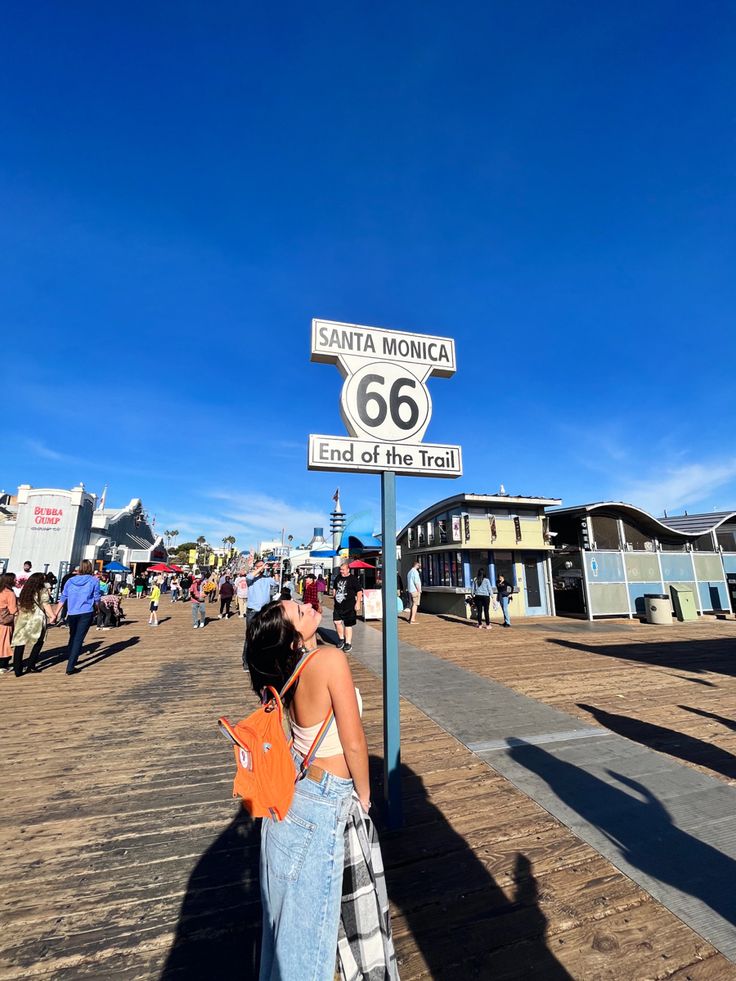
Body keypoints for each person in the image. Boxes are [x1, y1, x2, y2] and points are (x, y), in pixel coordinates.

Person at [247, 598, 371, 981]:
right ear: (293, 641)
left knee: (287, 936)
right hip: (328, 798)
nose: (307, 605)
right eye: (299, 612)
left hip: (296, 797)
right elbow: (353, 742)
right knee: (310, 948)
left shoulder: (287, 673)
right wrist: (364, 798)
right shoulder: (330, 660)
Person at [12, 573, 58, 675]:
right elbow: (45, 603)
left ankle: (17, 669)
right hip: (37, 618)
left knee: (20, 643)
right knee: (39, 641)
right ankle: (31, 665)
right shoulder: (42, 590)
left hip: (23, 618)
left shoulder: (26, 590)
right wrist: (52, 616)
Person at [60, 560, 101, 675]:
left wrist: (56, 613)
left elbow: (63, 597)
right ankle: (71, 666)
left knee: (73, 636)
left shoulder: (70, 580)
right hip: (86, 611)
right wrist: (97, 608)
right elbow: (96, 597)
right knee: (79, 638)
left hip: (72, 612)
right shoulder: (94, 581)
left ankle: (71, 657)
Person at [242, 561, 280, 670]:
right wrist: (261, 567)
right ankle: (246, 661)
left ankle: (261, 659)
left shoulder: (267, 578)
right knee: (250, 636)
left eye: (263, 566)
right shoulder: (251, 578)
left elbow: (276, 582)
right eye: (260, 566)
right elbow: (249, 576)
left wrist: (275, 569)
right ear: (256, 567)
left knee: (264, 635)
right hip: (253, 611)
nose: (263, 568)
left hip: (264, 611)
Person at [333, 561, 362, 653]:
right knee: (337, 622)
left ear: (348, 569)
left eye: (343, 570)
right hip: (338, 605)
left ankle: (348, 643)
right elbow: (334, 587)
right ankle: (341, 639)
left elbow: (359, 591)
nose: (341, 571)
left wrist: (358, 603)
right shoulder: (338, 577)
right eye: (340, 570)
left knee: (348, 624)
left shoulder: (353, 579)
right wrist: (334, 595)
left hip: (349, 605)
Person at [0, 573, 17, 673]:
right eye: (14, 579)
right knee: (5, 643)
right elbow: (13, 610)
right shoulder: (9, 593)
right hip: (5, 622)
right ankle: (3, 665)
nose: (16, 581)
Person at [406, 559, 422, 624]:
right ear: (417, 564)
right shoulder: (415, 572)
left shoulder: (409, 572)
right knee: (415, 605)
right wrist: (419, 590)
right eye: (419, 564)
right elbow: (416, 582)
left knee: (412, 604)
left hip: (410, 590)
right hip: (415, 590)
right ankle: (412, 619)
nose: (420, 565)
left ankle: (410, 618)